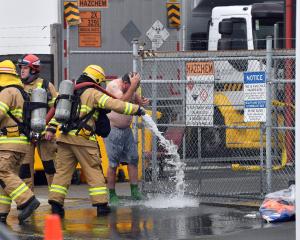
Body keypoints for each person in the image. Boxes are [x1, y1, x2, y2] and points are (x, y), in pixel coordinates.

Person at [45, 65, 145, 218]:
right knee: (94, 171)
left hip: (64, 138)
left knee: (62, 173)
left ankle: (56, 205)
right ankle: (101, 205)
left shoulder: (71, 91)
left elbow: (56, 112)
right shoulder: (93, 93)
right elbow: (115, 104)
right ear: (97, 79)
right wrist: (136, 109)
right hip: (83, 139)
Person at [0, 60, 40, 224]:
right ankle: (2, 213)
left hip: (10, 142)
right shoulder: (21, 92)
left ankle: (28, 200)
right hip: (20, 143)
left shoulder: (7, 92)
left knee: (2, 172)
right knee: (6, 178)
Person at [105, 72, 149, 205]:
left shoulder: (130, 89)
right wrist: (133, 88)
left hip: (126, 131)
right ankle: (112, 194)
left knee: (133, 159)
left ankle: (135, 192)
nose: (133, 90)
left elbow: (137, 101)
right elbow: (122, 102)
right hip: (112, 130)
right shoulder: (113, 86)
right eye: (131, 87)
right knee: (113, 163)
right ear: (125, 83)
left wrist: (143, 102)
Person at [17, 54, 58, 188]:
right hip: (24, 135)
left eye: (25, 68)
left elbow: (57, 107)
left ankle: (56, 200)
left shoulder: (46, 85)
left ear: (33, 69)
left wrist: (52, 128)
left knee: (51, 168)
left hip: (45, 135)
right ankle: (28, 202)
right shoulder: (17, 86)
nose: (21, 70)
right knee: (24, 171)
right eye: (21, 68)